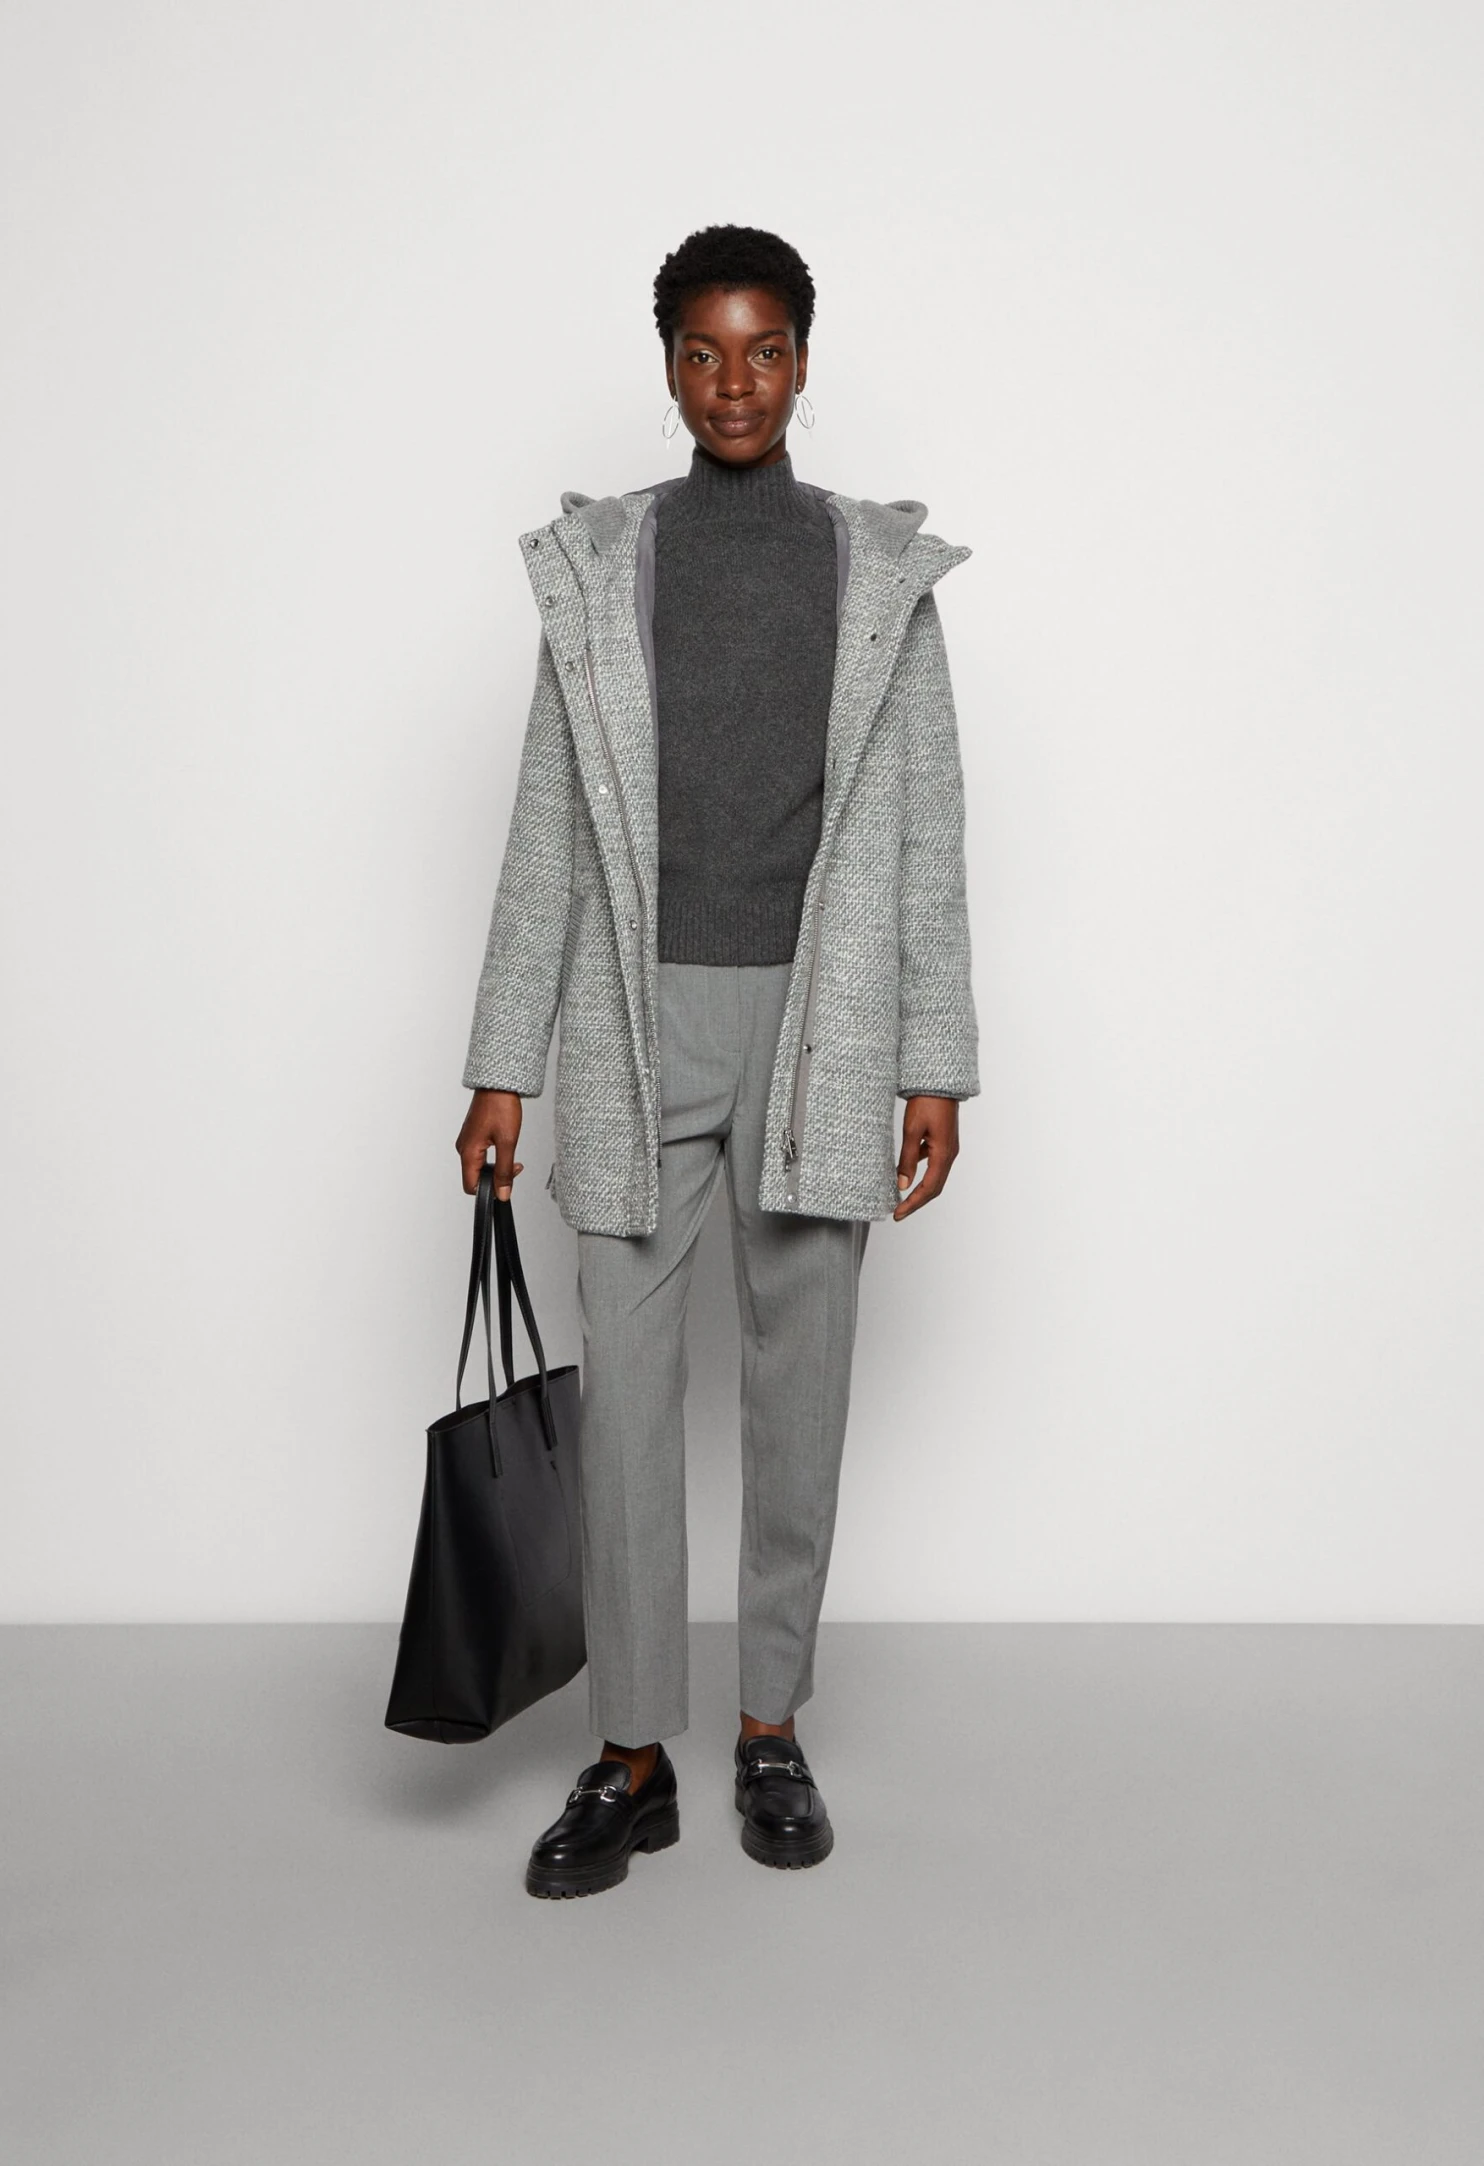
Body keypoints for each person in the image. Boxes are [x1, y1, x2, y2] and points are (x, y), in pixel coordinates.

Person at [455, 224, 979, 1898]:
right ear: (669, 366)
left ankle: (769, 1730)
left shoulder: (875, 576)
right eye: (703, 351)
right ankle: (630, 1756)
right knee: (623, 1398)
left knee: (799, 1385)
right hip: (634, 1018)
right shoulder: (607, 568)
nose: (733, 381)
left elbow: (927, 834)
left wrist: (932, 1060)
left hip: (821, 1021)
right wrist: (503, 1062)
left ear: (805, 362)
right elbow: (548, 823)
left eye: (763, 350)